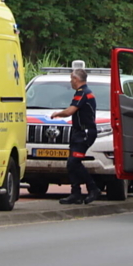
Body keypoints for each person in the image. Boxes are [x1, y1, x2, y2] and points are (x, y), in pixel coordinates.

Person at [52, 68, 101, 205]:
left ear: (76, 79)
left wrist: (57, 114)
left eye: (71, 79)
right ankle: (76, 194)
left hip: (84, 133)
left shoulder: (82, 93)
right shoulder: (85, 92)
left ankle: (93, 188)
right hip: (79, 132)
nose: (70, 81)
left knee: (74, 162)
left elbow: (70, 111)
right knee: (71, 164)